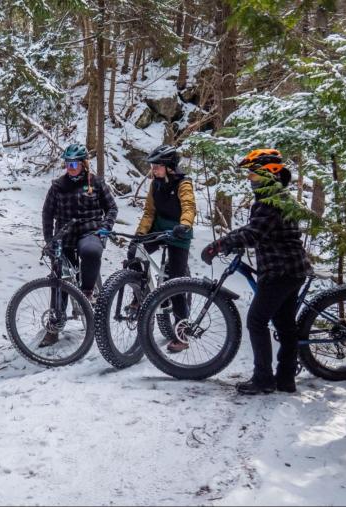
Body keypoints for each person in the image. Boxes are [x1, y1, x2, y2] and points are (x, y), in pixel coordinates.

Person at [200, 149, 312, 395]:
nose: (249, 179)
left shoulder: (272, 200)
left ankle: (263, 379)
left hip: (280, 271)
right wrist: (233, 239)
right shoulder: (276, 197)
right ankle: (284, 379)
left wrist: (222, 244)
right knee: (285, 326)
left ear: (268, 174)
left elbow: (254, 233)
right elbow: (256, 229)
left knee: (257, 320)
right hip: (292, 269)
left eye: (253, 174)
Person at [40, 143, 118, 346]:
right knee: (59, 277)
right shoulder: (57, 186)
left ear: (84, 164)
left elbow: (112, 208)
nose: (71, 167)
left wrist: (106, 228)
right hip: (65, 234)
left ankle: (87, 293)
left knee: (91, 251)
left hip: (90, 230)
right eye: (68, 163)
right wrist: (49, 240)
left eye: (74, 163)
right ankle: (55, 325)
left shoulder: (97, 183)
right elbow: (47, 214)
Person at [131, 144, 196, 353]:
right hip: (159, 228)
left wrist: (184, 225)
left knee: (176, 282)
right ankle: (139, 295)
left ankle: (183, 333)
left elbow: (189, 207)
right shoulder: (154, 185)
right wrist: (140, 234)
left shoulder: (183, 183)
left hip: (179, 233)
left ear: (169, 167)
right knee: (134, 253)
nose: (153, 170)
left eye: (157, 166)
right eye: (152, 166)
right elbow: (149, 212)